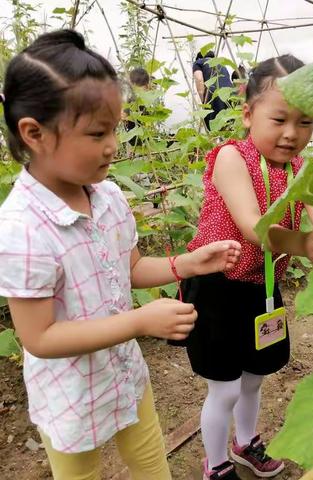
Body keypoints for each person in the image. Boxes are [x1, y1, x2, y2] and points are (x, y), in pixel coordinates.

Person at [0, 29, 241, 480]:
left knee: (151, 462)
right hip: (69, 393)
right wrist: (138, 322)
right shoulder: (21, 229)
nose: (113, 144)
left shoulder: (107, 197)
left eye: (115, 127)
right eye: (96, 132)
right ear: (33, 133)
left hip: (124, 375)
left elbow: (127, 268)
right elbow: (39, 337)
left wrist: (186, 264)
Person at [182, 54, 313, 480]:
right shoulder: (231, 158)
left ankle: (245, 444)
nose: (291, 134)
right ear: (247, 114)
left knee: (254, 378)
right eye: (279, 119)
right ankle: (216, 464)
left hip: (260, 287)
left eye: (306, 122)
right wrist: (302, 243)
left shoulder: (298, 168)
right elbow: (253, 227)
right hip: (216, 285)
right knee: (223, 388)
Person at [193, 50, 233, 131]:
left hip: (214, 94)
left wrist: (204, 102)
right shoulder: (222, 65)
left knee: (213, 128)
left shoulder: (198, 62)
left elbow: (199, 79)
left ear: (199, 57)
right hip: (230, 94)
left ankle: (217, 143)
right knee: (229, 126)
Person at [124, 67, 150, 147]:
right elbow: (124, 116)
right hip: (134, 141)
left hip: (145, 141)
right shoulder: (130, 102)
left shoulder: (148, 102)